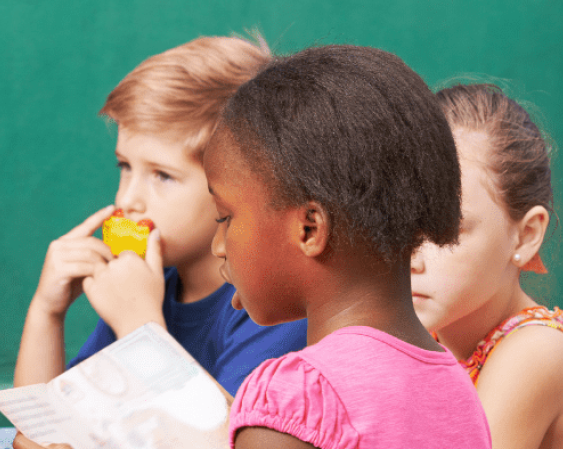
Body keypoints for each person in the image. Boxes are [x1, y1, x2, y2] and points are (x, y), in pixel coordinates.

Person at [0, 35, 308, 449]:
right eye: (125, 166)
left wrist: (140, 325)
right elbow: (37, 438)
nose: (128, 199)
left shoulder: (271, 305)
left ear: (234, 185)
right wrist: (47, 312)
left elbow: (217, 441)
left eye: (162, 175)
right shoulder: (147, 282)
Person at [204, 46, 491, 448]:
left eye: (225, 218)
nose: (218, 246)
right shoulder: (458, 390)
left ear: (309, 229)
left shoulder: (293, 398)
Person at [410, 84, 563, 449]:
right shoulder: (431, 338)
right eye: (402, 222)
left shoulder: (535, 353)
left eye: (447, 228)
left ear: (526, 235)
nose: (412, 258)